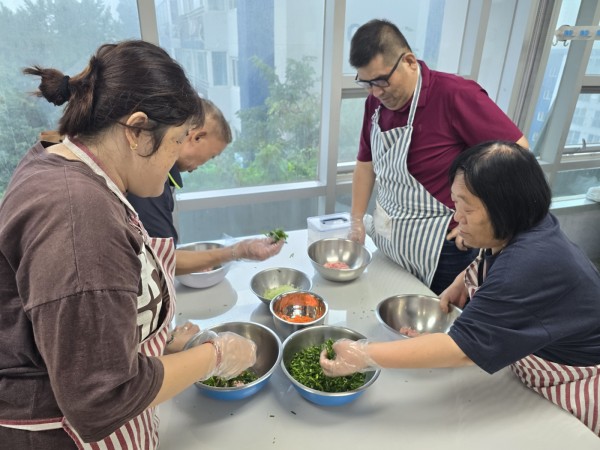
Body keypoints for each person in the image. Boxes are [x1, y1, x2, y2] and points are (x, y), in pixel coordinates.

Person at [0, 40, 257, 449]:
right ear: (137, 130)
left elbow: (85, 314)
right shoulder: (79, 215)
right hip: (57, 433)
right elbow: (103, 398)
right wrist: (215, 356)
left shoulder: (65, 163)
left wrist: (151, 340)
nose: (176, 160)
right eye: (176, 142)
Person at [320, 141, 600, 436]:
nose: (456, 218)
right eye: (455, 204)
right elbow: (497, 256)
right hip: (529, 370)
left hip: (575, 382)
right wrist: (464, 277)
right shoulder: (527, 223)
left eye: (466, 207)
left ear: (504, 208)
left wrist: (363, 354)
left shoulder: (529, 264)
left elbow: (463, 349)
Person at [346, 19, 529, 294]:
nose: (376, 92)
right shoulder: (375, 103)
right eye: (367, 83)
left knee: (434, 325)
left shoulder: (454, 95)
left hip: (443, 250)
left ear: (409, 61)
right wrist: (357, 219)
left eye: (382, 80)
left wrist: (485, 218)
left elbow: (518, 154)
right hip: (391, 241)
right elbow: (365, 164)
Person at [125, 98, 285, 275]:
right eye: (212, 156)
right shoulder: (149, 180)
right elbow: (162, 259)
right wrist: (238, 251)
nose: (203, 164)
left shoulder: (161, 173)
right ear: (196, 136)